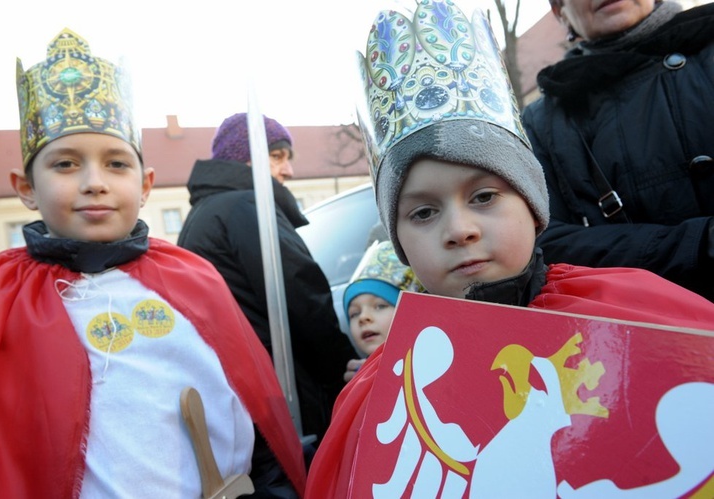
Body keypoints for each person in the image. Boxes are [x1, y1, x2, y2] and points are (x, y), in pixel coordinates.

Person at [305, 2, 714, 496]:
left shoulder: (637, 314)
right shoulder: (385, 393)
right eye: (423, 212)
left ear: (534, 206)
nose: (460, 230)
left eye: (484, 197)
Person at [0, 29, 306, 498]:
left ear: (145, 185)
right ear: (25, 187)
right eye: (65, 165)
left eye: (116, 164)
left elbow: (257, 410)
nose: (94, 182)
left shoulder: (193, 278)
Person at [177, 112, 357, 445]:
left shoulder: (206, 213)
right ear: (243, 159)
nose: (288, 170)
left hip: (243, 390)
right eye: (276, 156)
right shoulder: (247, 206)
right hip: (286, 389)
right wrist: (343, 368)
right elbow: (302, 296)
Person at [521, 0, 714, 301]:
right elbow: (544, 240)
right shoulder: (542, 124)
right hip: (645, 329)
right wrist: (698, 244)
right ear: (561, 12)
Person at [342, 240, 423, 382]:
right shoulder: (358, 376)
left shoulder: (432, 368)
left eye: (380, 306)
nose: (363, 318)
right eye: (354, 313)